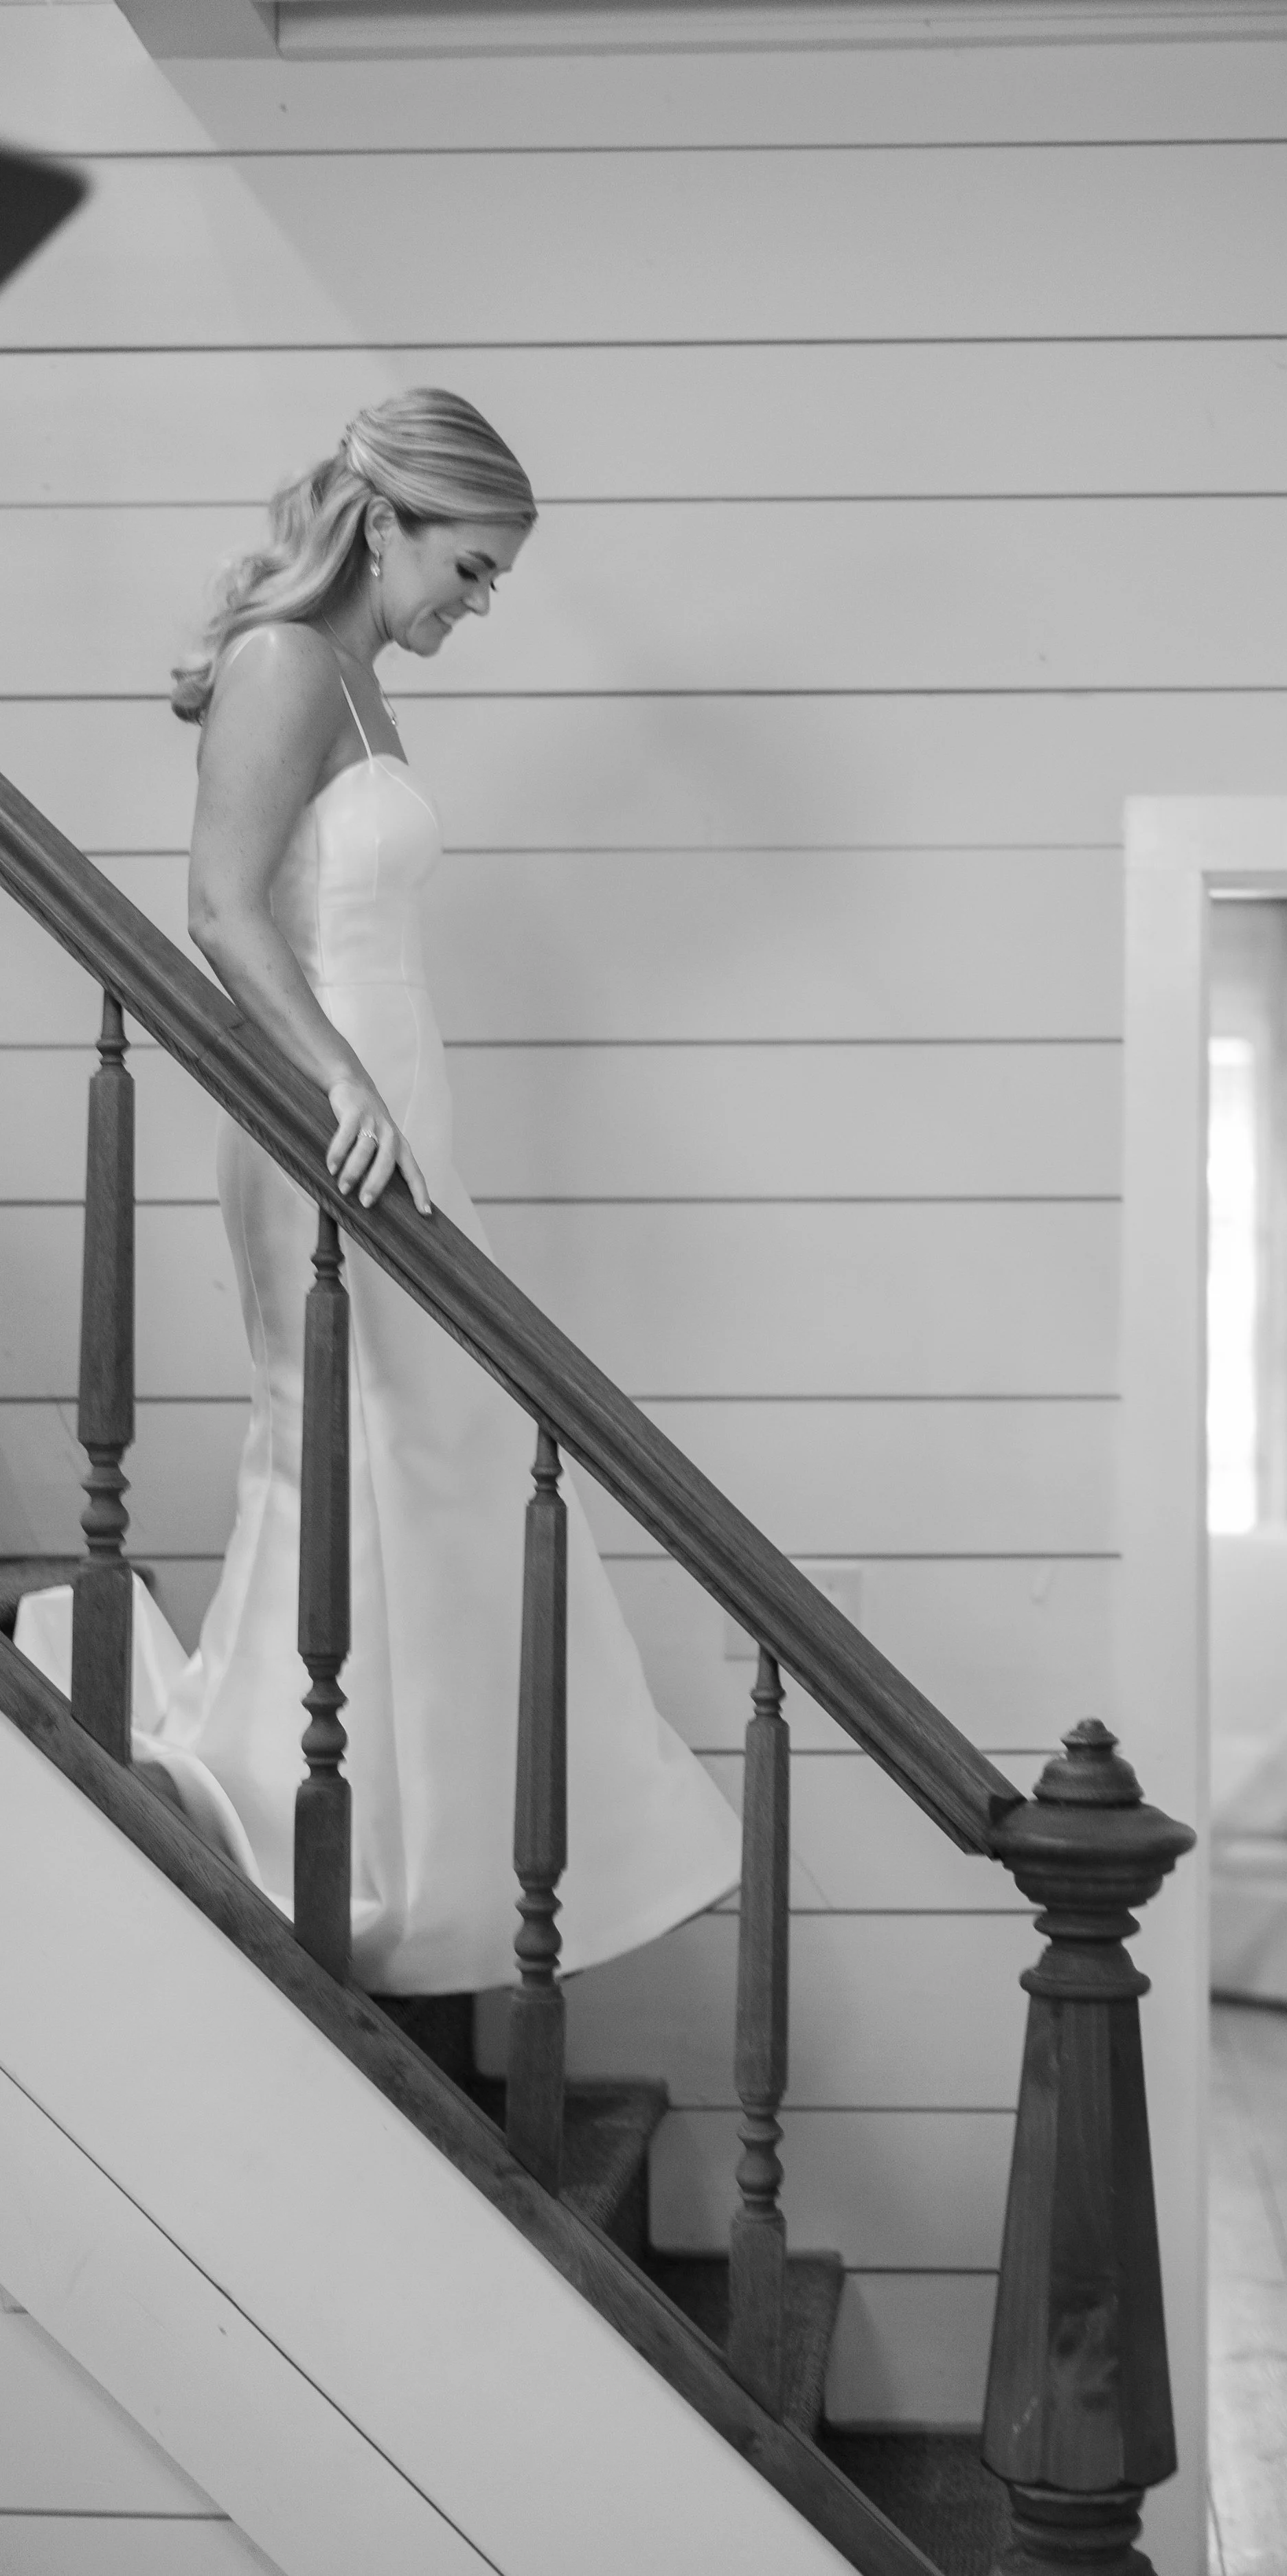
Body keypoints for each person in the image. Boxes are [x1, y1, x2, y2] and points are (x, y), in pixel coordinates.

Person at [137, 387, 740, 1995]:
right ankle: (254, 1803)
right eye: (465, 570)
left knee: (440, 1464)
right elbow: (218, 908)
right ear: (383, 520)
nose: (471, 609)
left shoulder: (355, 679)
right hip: (328, 1121)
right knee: (353, 1452)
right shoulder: (284, 665)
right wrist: (341, 1080)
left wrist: (381, 1097)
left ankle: (400, 1861)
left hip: (392, 1123)